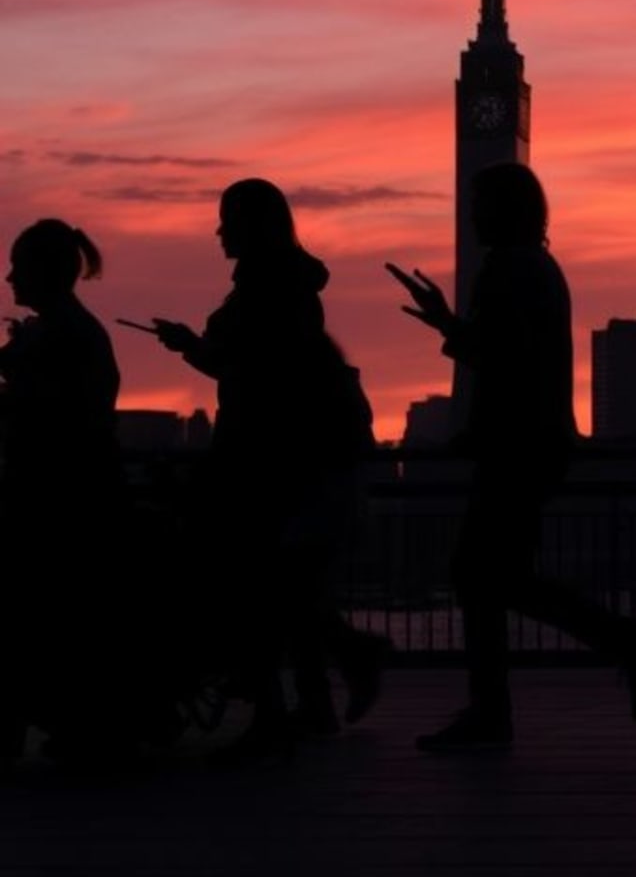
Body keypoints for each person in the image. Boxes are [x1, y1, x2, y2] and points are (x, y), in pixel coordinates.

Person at [392, 163, 636, 752]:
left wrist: (447, 326)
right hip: (533, 445)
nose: (472, 214)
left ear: (503, 211)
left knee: (481, 575)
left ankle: (604, 650)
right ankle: (515, 699)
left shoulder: (508, 271)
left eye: (480, 204)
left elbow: (503, 358)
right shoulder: (537, 268)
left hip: (517, 448)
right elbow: (517, 358)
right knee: (493, 576)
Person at [150, 180, 391, 766]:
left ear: (251, 225)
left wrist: (195, 348)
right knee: (284, 586)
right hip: (290, 453)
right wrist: (199, 348)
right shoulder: (290, 286)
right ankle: (317, 694)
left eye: (226, 221)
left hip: (263, 454)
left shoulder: (264, 289)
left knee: (254, 584)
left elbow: (255, 371)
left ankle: (278, 709)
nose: (219, 232)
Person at [0, 220, 140, 766]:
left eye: (17, 264)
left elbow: (45, 411)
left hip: (58, 496)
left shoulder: (60, 336)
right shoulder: (69, 331)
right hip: (75, 490)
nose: (8, 276)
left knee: (41, 614)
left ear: (44, 272)